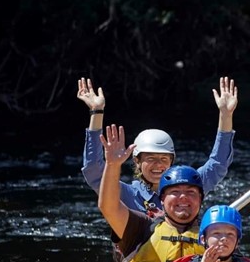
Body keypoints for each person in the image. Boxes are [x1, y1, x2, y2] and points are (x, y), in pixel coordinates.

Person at [97, 123, 205, 262]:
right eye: (175, 193)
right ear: (162, 200)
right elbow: (108, 207)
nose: (183, 198)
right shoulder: (142, 227)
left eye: (191, 193)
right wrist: (112, 165)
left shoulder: (211, 234)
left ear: (200, 199)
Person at [78, 76, 238, 214]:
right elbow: (94, 171)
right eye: (151, 158)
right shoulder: (126, 194)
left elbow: (218, 164)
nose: (158, 164)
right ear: (137, 161)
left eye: (163, 158)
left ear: (171, 162)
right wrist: (96, 112)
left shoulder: (188, 186)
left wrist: (225, 115)